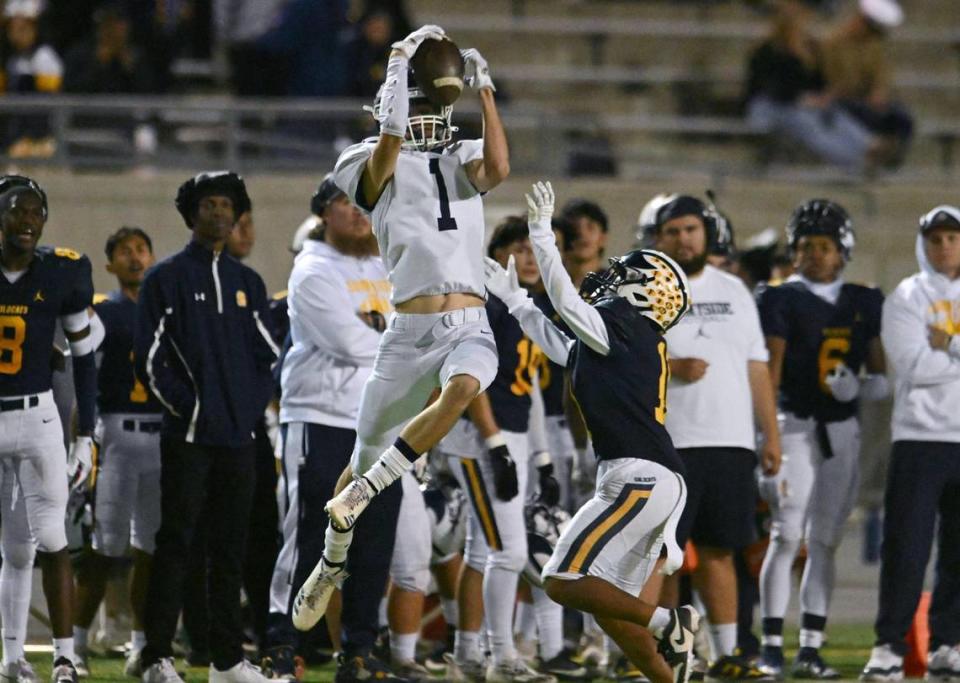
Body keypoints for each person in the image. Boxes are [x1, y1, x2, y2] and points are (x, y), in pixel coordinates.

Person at [292, 24, 510, 630]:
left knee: (464, 387)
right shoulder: (362, 160)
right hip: (408, 331)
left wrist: (485, 92)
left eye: (424, 107)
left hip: (468, 318)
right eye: (408, 109)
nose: (422, 119)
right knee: (358, 462)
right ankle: (331, 561)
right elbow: (387, 145)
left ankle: (374, 485)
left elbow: (498, 166)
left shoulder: (460, 155)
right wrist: (395, 62)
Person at [484, 181, 697, 683]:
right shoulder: (617, 337)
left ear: (646, 291)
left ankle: (672, 621)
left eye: (623, 276)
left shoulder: (625, 324)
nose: (608, 278)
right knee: (607, 605)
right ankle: (669, 676)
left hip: (639, 476)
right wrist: (516, 300)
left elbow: (566, 302)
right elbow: (560, 345)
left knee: (563, 579)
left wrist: (542, 237)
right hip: (645, 476)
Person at [134, 171, 279, 683]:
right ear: (191, 213)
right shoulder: (165, 278)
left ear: (238, 215)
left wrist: (246, 409)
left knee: (230, 549)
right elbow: (149, 361)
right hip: (187, 440)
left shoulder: (249, 284)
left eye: (227, 206)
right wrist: (192, 410)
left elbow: (271, 356)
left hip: (240, 440)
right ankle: (157, 657)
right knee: (175, 545)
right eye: (209, 204)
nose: (219, 213)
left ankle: (226, 661)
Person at [638, 193, 781, 680]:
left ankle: (727, 654)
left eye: (691, 229)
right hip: (666, 440)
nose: (684, 239)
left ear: (707, 233)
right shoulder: (644, 288)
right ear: (658, 238)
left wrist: (770, 435)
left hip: (729, 439)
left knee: (721, 551)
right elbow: (622, 359)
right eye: (673, 231)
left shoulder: (735, 289)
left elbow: (756, 366)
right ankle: (651, 655)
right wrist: (669, 365)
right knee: (660, 555)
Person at [264, 174, 397, 683]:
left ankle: (361, 651)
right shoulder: (313, 268)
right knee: (306, 533)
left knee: (373, 543)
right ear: (322, 212)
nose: (357, 209)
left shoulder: (388, 264)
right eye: (344, 201)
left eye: (363, 199)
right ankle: (281, 642)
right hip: (321, 415)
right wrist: (405, 347)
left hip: (380, 425)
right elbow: (350, 342)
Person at [755, 200, 888, 679]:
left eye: (825, 245)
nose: (814, 253)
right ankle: (771, 644)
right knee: (786, 532)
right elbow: (768, 373)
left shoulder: (863, 301)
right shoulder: (778, 298)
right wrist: (765, 434)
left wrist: (861, 385)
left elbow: (880, 375)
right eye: (806, 245)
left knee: (825, 540)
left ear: (843, 250)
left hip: (841, 429)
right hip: (794, 424)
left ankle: (811, 645)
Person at [438, 216, 564, 683]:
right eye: (521, 248)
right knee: (508, 552)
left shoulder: (531, 306)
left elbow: (528, 386)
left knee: (481, 551)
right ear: (499, 253)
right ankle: (504, 658)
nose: (531, 257)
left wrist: (542, 457)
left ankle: (467, 657)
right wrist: (494, 443)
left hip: (509, 436)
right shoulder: (486, 300)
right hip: (477, 436)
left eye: (538, 249)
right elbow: (471, 378)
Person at [0, 175, 95, 683]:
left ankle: (63, 657)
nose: (28, 220)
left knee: (54, 536)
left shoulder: (62, 272)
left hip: (39, 417)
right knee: (14, 550)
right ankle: (11, 659)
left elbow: (86, 355)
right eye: (17, 210)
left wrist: (86, 433)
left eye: (37, 211)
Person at [860, 205, 960, 682]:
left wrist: (949, 345)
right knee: (907, 548)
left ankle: (948, 643)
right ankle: (889, 647)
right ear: (923, 243)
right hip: (919, 438)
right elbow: (914, 367)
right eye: (936, 239)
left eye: (952, 238)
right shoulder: (905, 295)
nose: (944, 247)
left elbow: (932, 359)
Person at [70, 227, 159, 678]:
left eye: (141, 249)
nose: (135, 257)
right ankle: (77, 645)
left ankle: (141, 648)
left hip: (161, 436)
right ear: (110, 264)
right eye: (124, 251)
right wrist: (79, 438)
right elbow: (80, 367)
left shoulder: (166, 310)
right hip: (118, 435)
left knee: (151, 548)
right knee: (105, 548)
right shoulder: (105, 311)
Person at [744, 0, 877, 171]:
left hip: (796, 104)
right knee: (808, 123)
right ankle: (854, 163)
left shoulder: (809, 50)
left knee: (833, 113)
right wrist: (803, 99)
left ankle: (868, 145)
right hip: (768, 106)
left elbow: (816, 84)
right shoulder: (768, 51)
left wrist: (824, 95)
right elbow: (770, 90)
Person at [821, 0, 912, 161]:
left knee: (902, 118)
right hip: (845, 98)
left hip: (867, 99)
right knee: (857, 113)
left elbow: (881, 74)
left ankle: (891, 159)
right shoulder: (834, 43)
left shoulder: (873, 45)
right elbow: (837, 79)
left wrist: (879, 92)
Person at [1, 0, 63, 158]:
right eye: (12, 29)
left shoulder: (45, 57)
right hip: (16, 136)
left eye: (23, 29)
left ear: (34, 29)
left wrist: (29, 140)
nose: (16, 34)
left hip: (40, 139)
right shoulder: (12, 60)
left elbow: (46, 107)